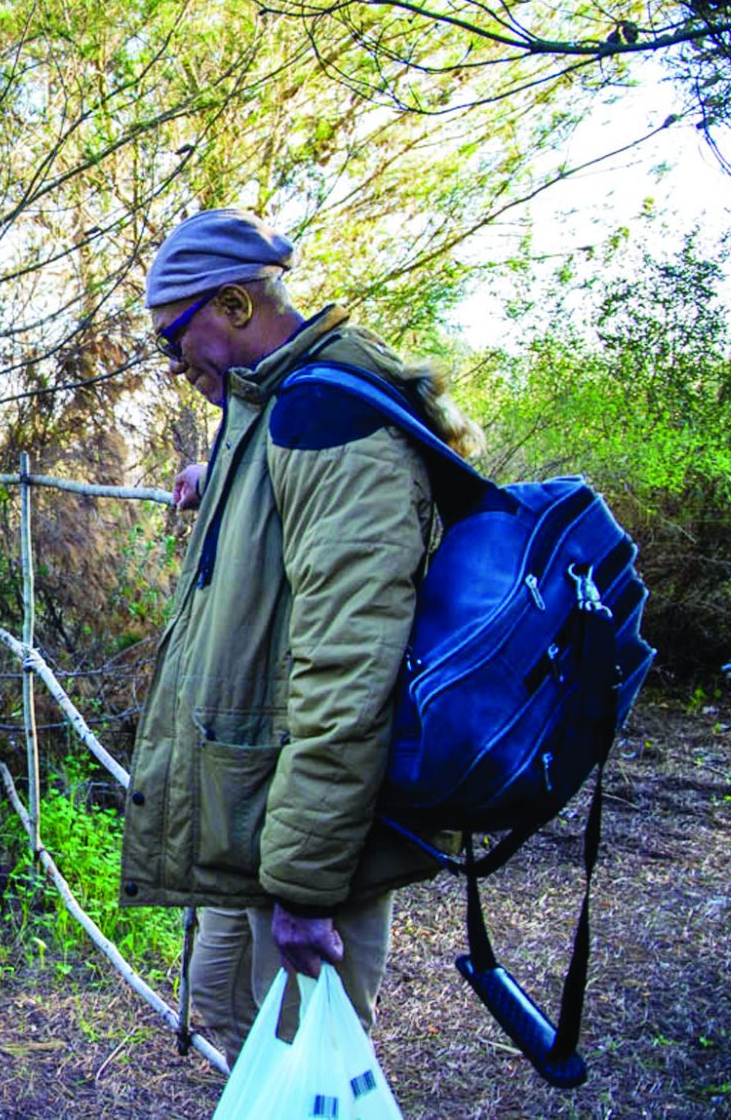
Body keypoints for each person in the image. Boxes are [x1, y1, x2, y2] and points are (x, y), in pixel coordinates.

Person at [119, 208, 480, 1059]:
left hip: (303, 831)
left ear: (237, 305)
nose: (176, 366)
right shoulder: (283, 403)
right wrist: (227, 478)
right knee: (228, 1013)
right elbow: (294, 518)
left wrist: (307, 883)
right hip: (258, 808)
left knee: (300, 1064)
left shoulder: (331, 419)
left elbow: (351, 661)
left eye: (177, 341)